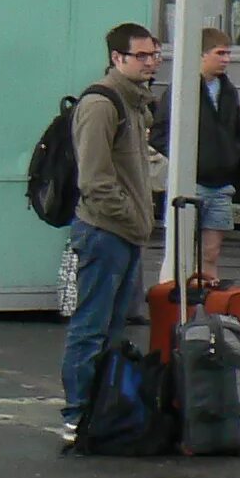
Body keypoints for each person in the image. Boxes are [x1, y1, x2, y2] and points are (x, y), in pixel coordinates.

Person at [58, 22, 161, 444]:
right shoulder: (103, 104)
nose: (151, 63)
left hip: (125, 233)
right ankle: (78, 412)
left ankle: (104, 407)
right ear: (118, 58)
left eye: (155, 55)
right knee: (91, 326)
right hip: (104, 232)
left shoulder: (135, 103)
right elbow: (95, 179)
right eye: (142, 56)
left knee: (115, 328)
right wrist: (132, 219)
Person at [149, 27, 240, 282]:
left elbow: (238, 130)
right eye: (220, 53)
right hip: (192, 182)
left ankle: (210, 305)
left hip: (221, 184)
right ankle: (181, 304)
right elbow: (160, 133)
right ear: (202, 55)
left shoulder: (229, 91)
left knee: (211, 252)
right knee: (183, 250)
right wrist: (185, 160)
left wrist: (230, 156)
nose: (226, 59)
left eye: (228, 53)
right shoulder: (182, 90)